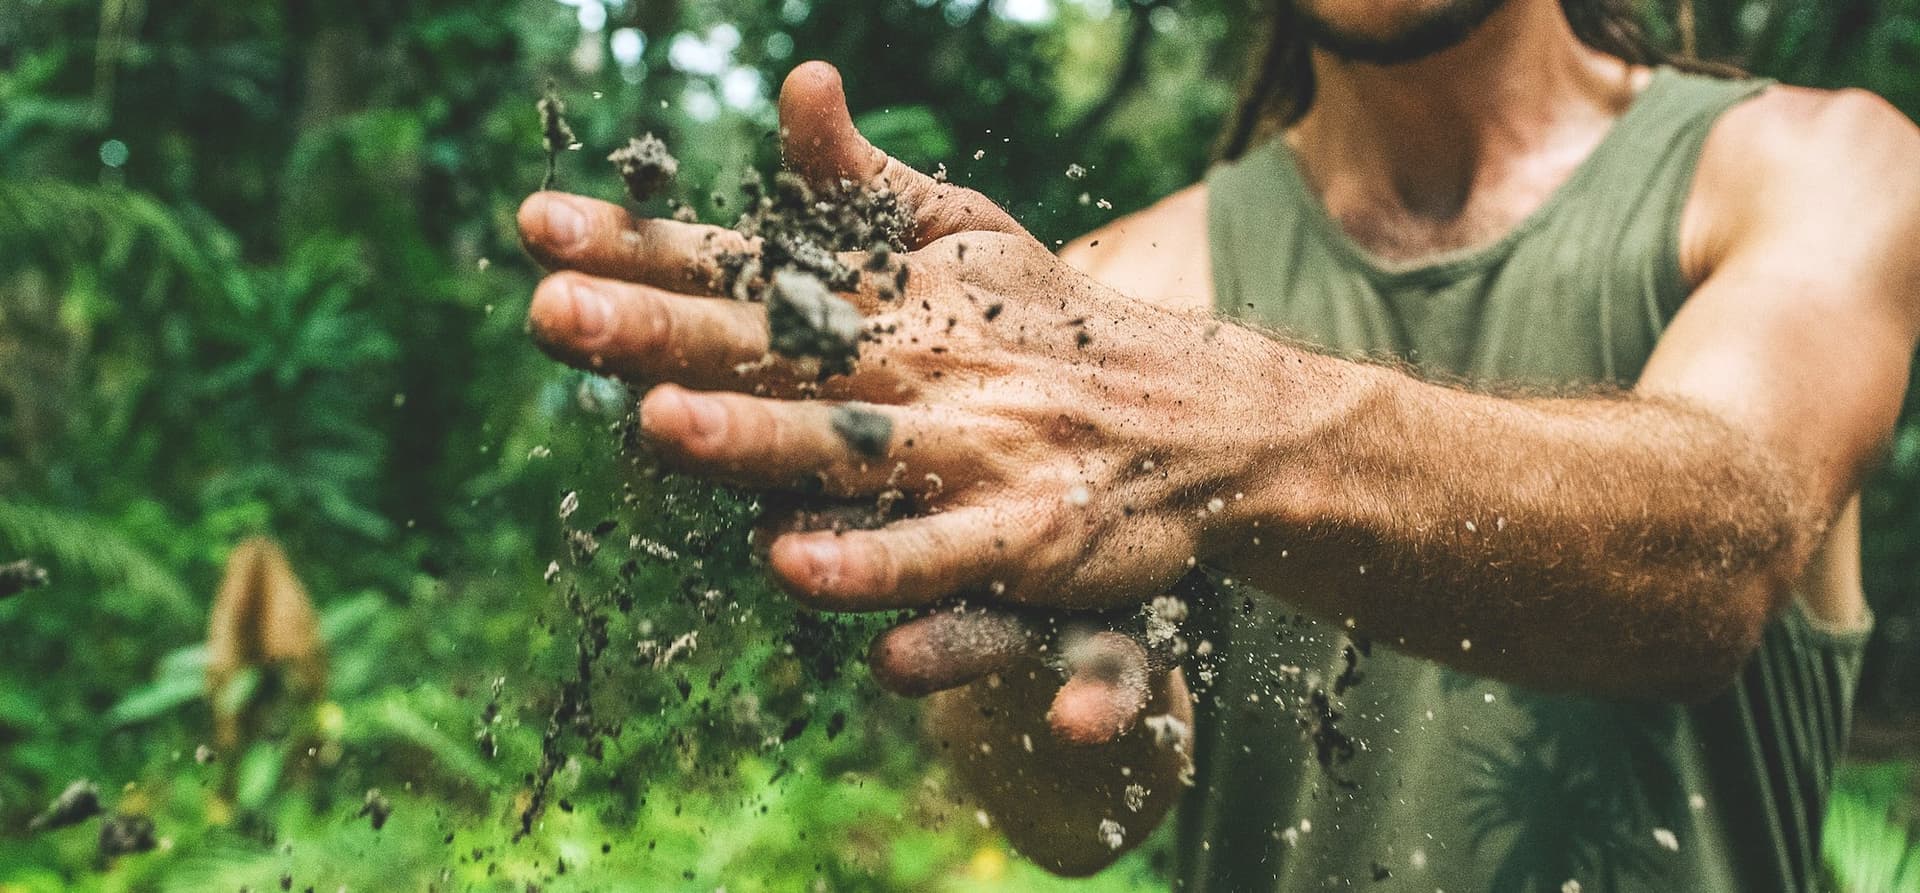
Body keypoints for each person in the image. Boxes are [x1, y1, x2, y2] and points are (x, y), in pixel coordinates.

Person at [514, 0, 1920, 887]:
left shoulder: (1812, 166)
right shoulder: (1118, 295)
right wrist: (1044, 676)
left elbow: (1716, 549)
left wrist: (1211, 434)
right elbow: (1078, 823)